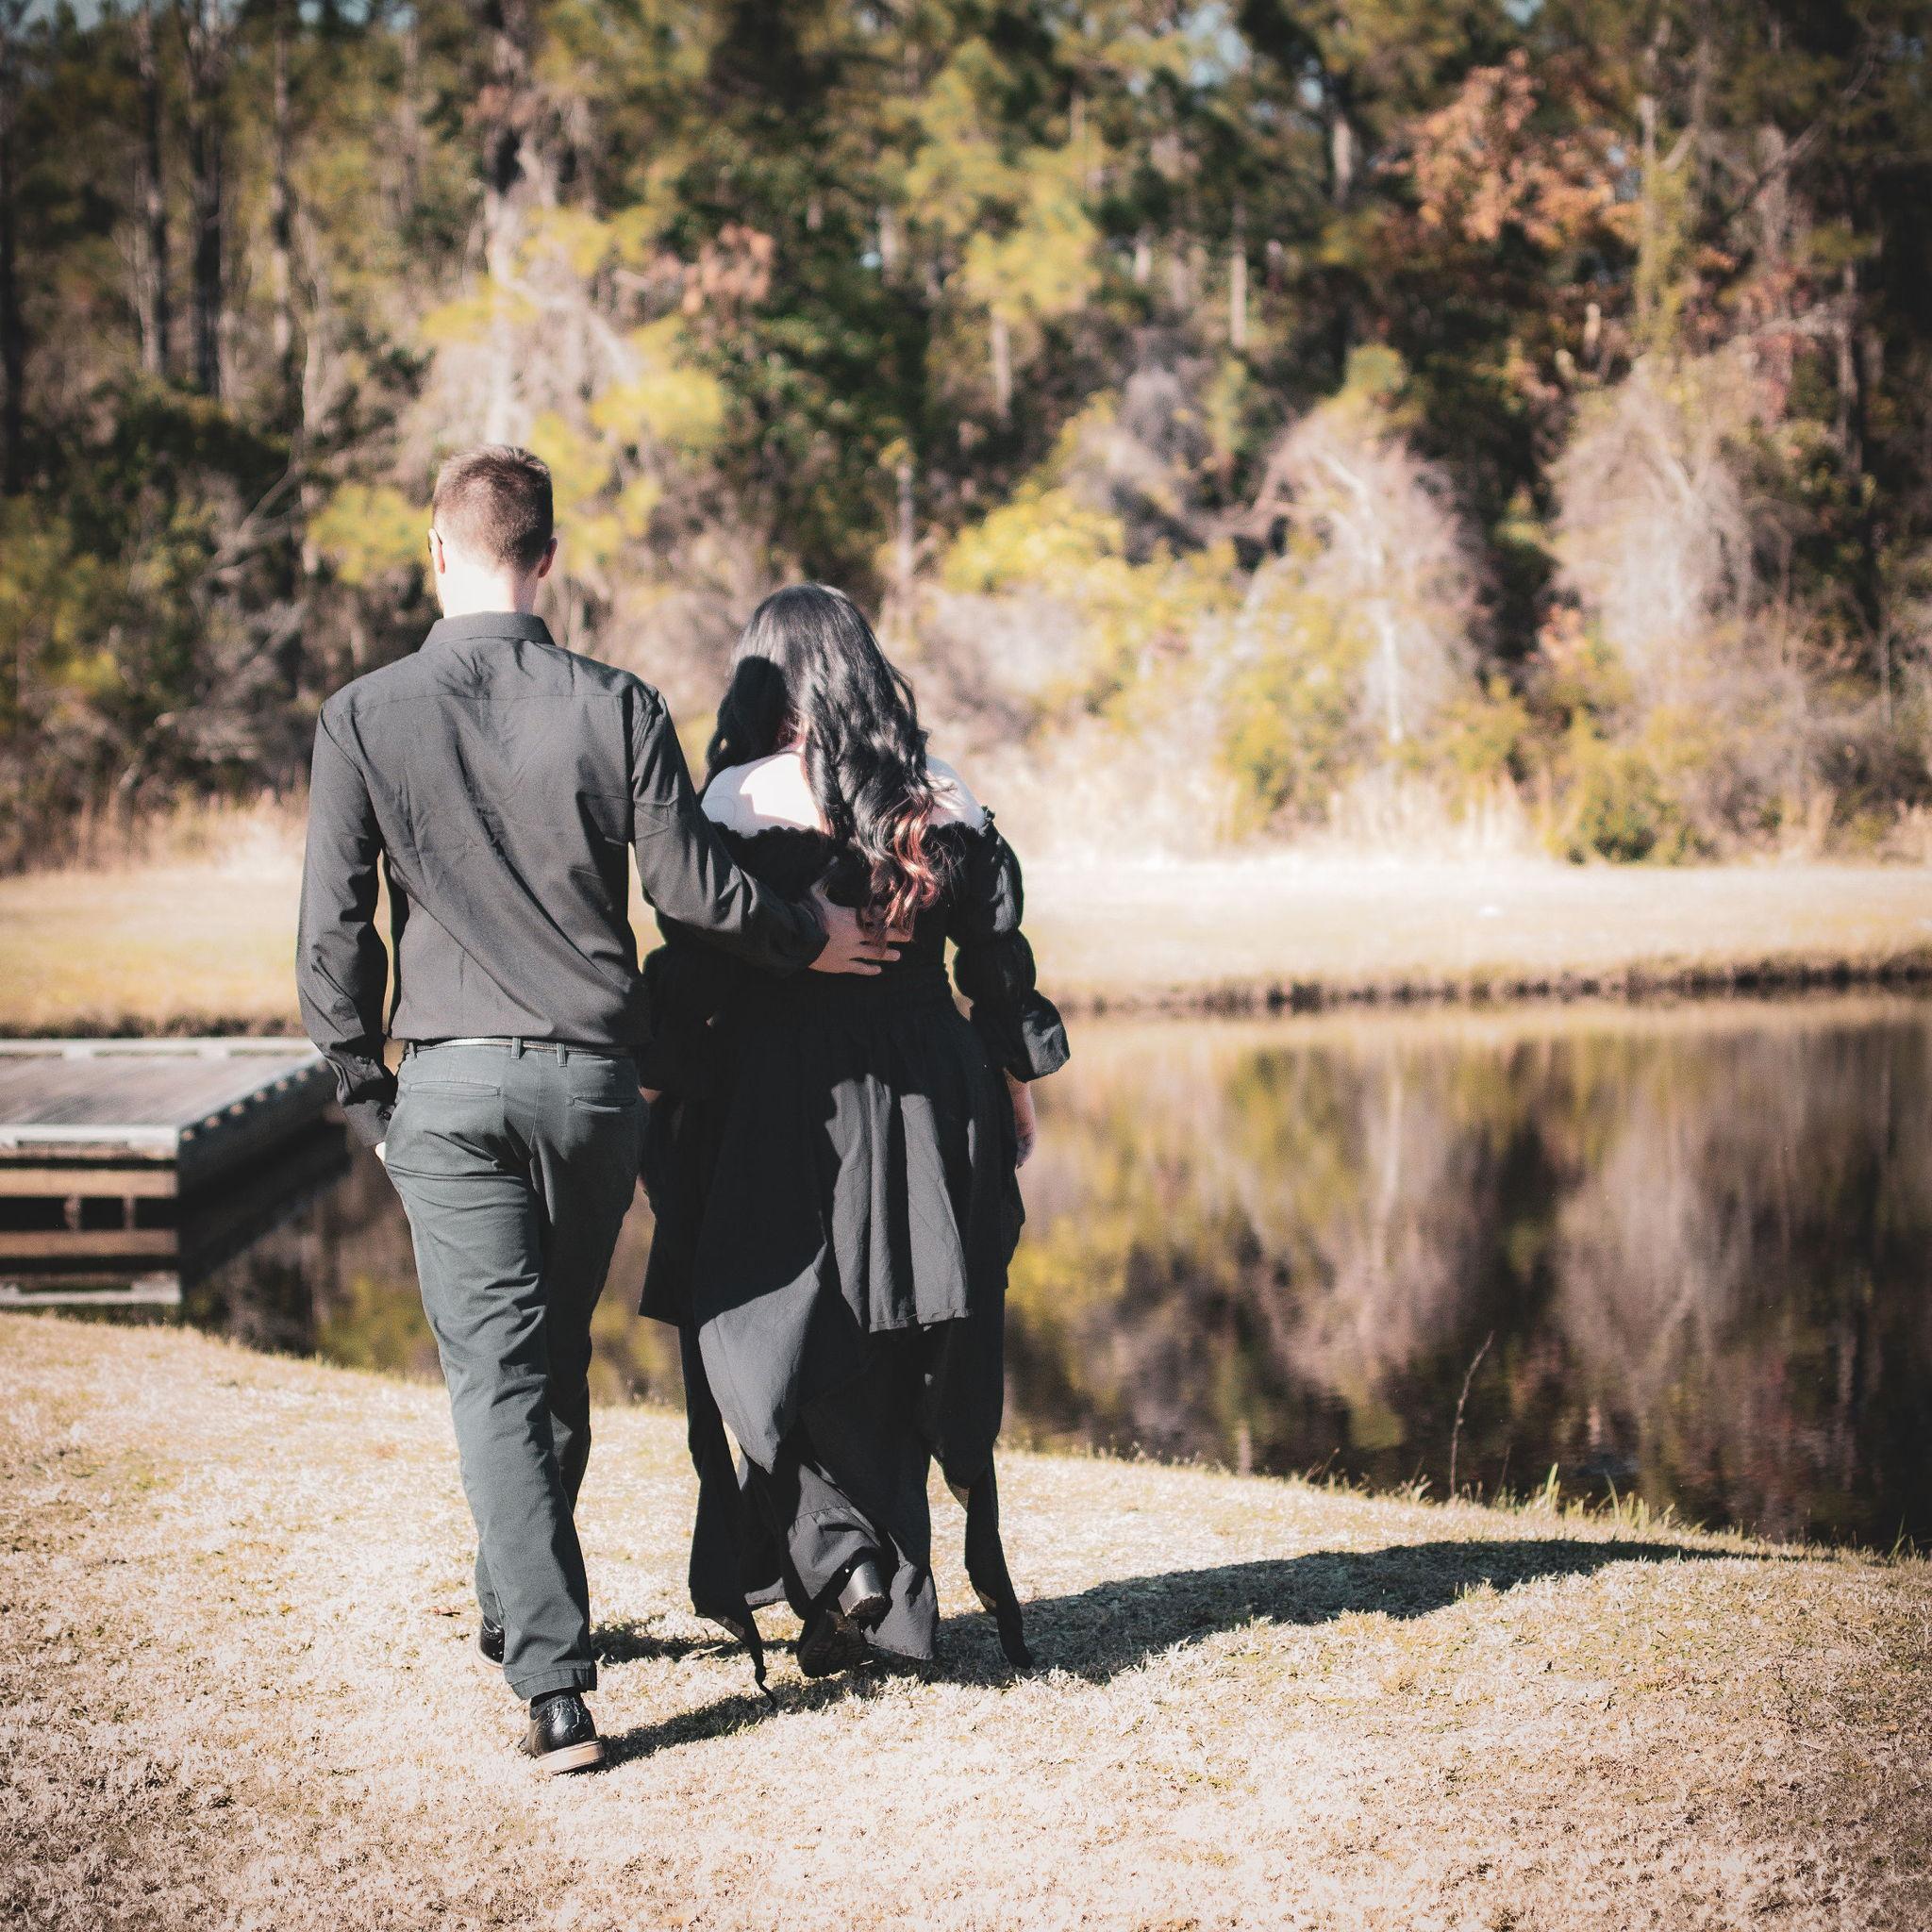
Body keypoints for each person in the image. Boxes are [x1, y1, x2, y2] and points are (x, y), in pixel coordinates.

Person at [295, 448, 897, 1774]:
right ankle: (518, 1606)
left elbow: (335, 931)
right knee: (543, 1357)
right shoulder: (616, 702)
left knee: (502, 1370)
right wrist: (808, 933)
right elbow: (691, 891)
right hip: (590, 1090)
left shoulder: (360, 714)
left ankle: (553, 1685)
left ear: (435, 552)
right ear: (549, 559)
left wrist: (361, 1088)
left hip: (449, 1081)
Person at [637, 583, 1068, 1685]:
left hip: (787, 1092)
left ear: (765, 680)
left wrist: (650, 1085)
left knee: (751, 1331)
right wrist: (1014, 1087)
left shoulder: (737, 798)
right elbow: (995, 958)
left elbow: (694, 966)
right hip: (928, 1089)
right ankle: (876, 1598)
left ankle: (843, 1563)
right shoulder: (939, 794)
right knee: (891, 1343)